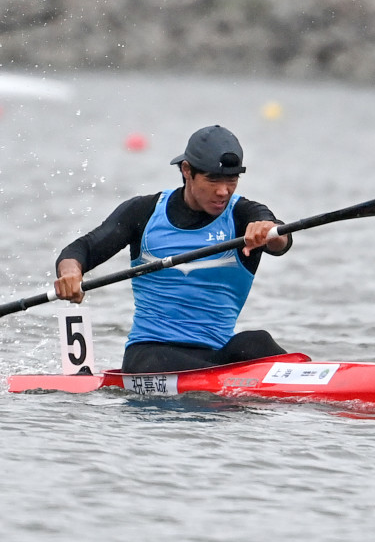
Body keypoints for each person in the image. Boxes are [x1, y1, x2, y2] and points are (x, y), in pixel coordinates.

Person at [54, 125, 293, 374]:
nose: (223, 191)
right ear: (187, 170)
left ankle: (312, 379)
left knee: (257, 341)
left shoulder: (245, 214)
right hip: (151, 354)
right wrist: (70, 273)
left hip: (217, 354)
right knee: (157, 361)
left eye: (231, 180)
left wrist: (268, 232)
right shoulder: (144, 212)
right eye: (213, 179)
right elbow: (82, 248)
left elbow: (281, 240)